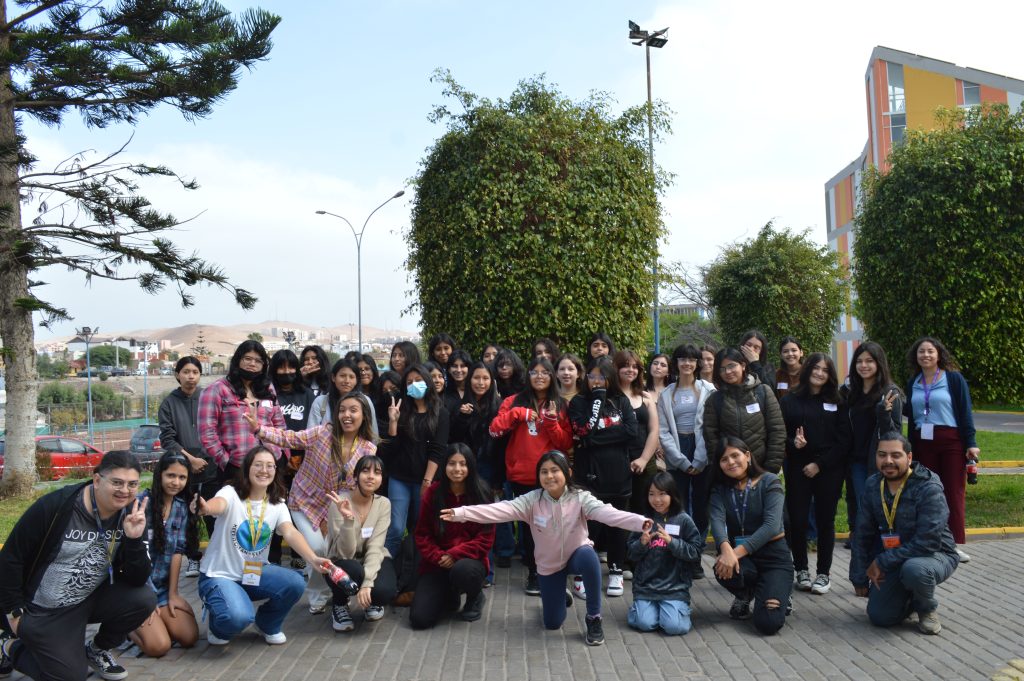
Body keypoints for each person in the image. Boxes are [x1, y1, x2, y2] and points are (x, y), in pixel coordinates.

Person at [442, 451, 652, 646]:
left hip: (577, 554)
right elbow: (499, 510)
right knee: (552, 623)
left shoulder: (580, 498)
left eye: (555, 471)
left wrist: (640, 522)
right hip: (549, 565)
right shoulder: (532, 501)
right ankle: (561, 595)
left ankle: (594, 618)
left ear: (567, 473)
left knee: (590, 558)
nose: (549, 476)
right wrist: (461, 513)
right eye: (544, 472)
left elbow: (609, 514)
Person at [0, 451, 154, 681]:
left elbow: (137, 579)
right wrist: (14, 612)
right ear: (97, 480)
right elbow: (11, 557)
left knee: (144, 599)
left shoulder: (131, 515)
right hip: (41, 610)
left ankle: (96, 649)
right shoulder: (57, 507)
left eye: (132, 484)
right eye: (117, 482)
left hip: (88, 599)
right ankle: (8, 646)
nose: (125, 491)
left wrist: (133, 540)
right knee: (70, 677)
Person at [244, 391, 377, 615]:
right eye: (342, 410)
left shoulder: (368, 449)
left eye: (353, 410)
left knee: (328, 549)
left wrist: (337, 517)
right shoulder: (322, 433)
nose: (347, 415)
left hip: (334, 507)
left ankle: (324, 591)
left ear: (364, 415)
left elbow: (359, 487)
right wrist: (259, 428)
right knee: (316, 547)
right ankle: (317, 594)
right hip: (304, 500)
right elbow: (290, 438)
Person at [195, 446, 330, 646]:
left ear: (276, 471)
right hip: (219, 575)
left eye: (270, 466)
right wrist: (205, 508)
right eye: (258, 465)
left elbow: (290, 532)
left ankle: (267, 623)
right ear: (248, 468)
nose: (264, 470)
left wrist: (313, 558)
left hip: (253, 573)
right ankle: (218, 625)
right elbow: (218, 504)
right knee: (238, 617)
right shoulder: (231, 493)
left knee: (295, 583)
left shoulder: (277, 503)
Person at [849, 433, 959, 635]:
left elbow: (927, 542)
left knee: (915, 570)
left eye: (895, 455)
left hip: (934, 555)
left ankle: (926, 609)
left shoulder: (928, 487)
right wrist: (858, 576)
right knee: (880, 617)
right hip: (896, 558)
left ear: (909, 458)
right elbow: (862, 532)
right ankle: (910, 599)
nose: (888, 461)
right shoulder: (873, 484)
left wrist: (881, 561)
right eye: (882, 455)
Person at [489, 356, 572, 594]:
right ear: (527, 376)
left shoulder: (560, 404)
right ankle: (535, 574)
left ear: (552, 376)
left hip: (552, 476)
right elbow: (494, 430)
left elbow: (566, 442)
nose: (539, 376)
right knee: (529, 528)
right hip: (522, 474)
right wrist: (518, 414)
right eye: (534, 372)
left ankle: (554, 570)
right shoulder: (513, 401)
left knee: (554, 525)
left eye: (545, 372)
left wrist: (552, 423)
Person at [780, 353, 851, 596]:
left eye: (825, 370)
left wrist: (819, 464)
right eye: (816, 368)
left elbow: (844, 440)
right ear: (807, 369)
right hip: (798, 468)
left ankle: (823, 573)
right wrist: (793, 443)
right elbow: (781, 436)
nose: (820, 373)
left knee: (825, 521)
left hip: (829, 468)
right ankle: (801, 569)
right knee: (798, 521)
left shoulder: (838, 400)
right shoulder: (790, 400)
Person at [904, 337, 979, 562]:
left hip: (951, 442)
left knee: (953, 492)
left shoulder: (953, 379)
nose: (925, 355)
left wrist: (971, 442)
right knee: (928, 493)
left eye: (930, 351)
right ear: (915, 357)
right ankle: (930, 541)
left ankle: (952, 544)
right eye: (921, 352)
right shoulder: (914, 382)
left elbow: (965, 411)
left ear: (939, 354)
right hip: (922, 442)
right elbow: (912, 411)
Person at [708, 437, 793, 635]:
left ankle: (780, 589)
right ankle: (745, 594)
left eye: (735, 455)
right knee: (722, 567)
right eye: (724, 459)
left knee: (768, 623)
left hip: (774, 558)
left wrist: (734, 553)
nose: (730, 462)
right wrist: (725, 549)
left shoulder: (769, 481)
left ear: (747, 456)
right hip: (745, 560)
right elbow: (717, 522)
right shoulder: (720, 490)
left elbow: (772, 526)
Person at [569, 356, 638, 597]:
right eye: (592, 376)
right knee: (591, 528)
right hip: (590, 477)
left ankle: (616, 572)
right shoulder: (579, 402)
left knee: (617, 526)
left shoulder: (621, 401)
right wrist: (597, 401)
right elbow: (583, 431)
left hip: (618, 476)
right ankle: (582, 575)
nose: (597, 381)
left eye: (602, 376)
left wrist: (595, 438)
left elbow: (631, 431)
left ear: (611, 378)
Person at [411, 445, 495, 628]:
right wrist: (439, 556)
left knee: (462, 571)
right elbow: (422, 534)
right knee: (420, 619)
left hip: (469, 562)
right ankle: (450, 594)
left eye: (463, 464)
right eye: (452, 464)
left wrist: (455, 554)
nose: (457, 469)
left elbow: (486, 538)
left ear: (471, 466)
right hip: (437, 562)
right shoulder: (433, 493)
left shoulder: (482, 493)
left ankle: (475, 597)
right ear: (444, 466)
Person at [129, 452, 200, 657]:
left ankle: (156, 621)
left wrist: (173, 594)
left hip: (161, 589)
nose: (176, 482)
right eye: (171, 475)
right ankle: (121, 626)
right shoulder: (141, 504)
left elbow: (177, 552)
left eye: (182, 477)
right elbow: (135, 556)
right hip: (137, 590)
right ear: (160, 474)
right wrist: (148, 600)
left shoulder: (181, 507)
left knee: (189, 637)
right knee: (159, 647)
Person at [381, 364, 450, 559]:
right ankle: (386, 567)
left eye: (418, 381)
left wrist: (427, 482)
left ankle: (416, 570)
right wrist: (393, 422)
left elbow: (438, 450)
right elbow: (391, 447)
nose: (414, 385)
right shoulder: (402, 410)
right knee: (395, 527)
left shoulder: (441, 413)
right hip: (399, 478)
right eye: (409, 382)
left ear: (427, 382)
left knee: (420, 527)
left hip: (425, 480)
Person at [657, 344, 716, 571]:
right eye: (682, 359)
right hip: (677, 451)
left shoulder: (708, 390)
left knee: (701, 508)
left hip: (702, 449)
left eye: (692, 359)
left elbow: (710, 426)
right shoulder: (666, 393)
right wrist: (681, 460)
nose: (687, 363)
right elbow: (663, 431)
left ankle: (696, 557)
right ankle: (678, 555)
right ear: (676, 363)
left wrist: (700, 459)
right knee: (677, 507)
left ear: (697, 363)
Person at [321, 456, 397, 632]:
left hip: (371, 558)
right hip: (341, 562)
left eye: (377, 473)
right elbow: (344, 553)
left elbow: (376, 546)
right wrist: (348, 519)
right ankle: (339, 605)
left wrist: (367, 583)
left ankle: (371, 600)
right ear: (355, 476)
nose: (371, 476)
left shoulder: (383, 504)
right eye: (365, 471)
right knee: (353, 570)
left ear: (381, 479)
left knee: (385, 591)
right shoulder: (340, 503)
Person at [626, 473, 703, 635]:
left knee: (674, 627)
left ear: (672, 494)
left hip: (675, 587)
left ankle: (676, 610)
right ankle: (646, 610)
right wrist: (642, 543)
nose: (657, 500)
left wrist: (672, 542)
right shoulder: (644, 521)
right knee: (644, 624)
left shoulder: (683, 520)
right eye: (651, 494)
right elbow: (631, 554)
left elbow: (696, 552)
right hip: (646, 586)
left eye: (662, 494)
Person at [198, 340, 285, 482]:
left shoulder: (267, 388)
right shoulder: (217, 390)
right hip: (236, 468)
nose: (253, 364)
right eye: (248, 359)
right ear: (238, 360)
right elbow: (207, 434)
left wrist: (282, 453)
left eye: (258, 361)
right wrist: (226, 461)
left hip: (270, 465)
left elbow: (279, 423)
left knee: (269, 504)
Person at [159, 355, 214, 576]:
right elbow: (167, 439)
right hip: (183, 470)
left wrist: (206, 458)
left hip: (210, 467)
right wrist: (190, 460)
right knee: (187, 516)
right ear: (177, 375)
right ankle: (193, 558)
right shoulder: (169, 403)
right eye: (186, 372)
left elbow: (217, 430)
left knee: (212, 514)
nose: (191, 377)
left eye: (195, 372)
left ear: (200, 375)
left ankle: (216, 556)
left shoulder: (207, 398)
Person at [843, 342, 903, 542]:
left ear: (879, 363)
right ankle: (865, 542)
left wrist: (883, 413)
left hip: (875, 461)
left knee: (870, 505)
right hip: (854, 458)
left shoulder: (890, 392)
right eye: (859, 361)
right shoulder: (852, 392)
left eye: (869, 361)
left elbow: (894, 434)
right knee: (860, 503)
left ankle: (873, 544)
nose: (864, 365)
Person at [703, 347, 786, 474]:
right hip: (730, 471)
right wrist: (722, 467)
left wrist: (771, 468)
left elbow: (777, 431)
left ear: (742, 365)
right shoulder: (714, 400)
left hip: (762, 468)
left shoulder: (763, 392)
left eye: (731, 366)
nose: (728, 371)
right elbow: (711, 438)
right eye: (722, 369)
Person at [613, 350, 661, 555]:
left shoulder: (645, 396)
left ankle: (642, 555)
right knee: (620, 511)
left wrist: (643, 459)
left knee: (643, 508)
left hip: (645, 460)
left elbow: (654, 430)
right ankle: (621, 559)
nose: (630, 370)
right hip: (617, 461)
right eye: (625, 365)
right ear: (616, 368)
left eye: (635, 367)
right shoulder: (610, 396)